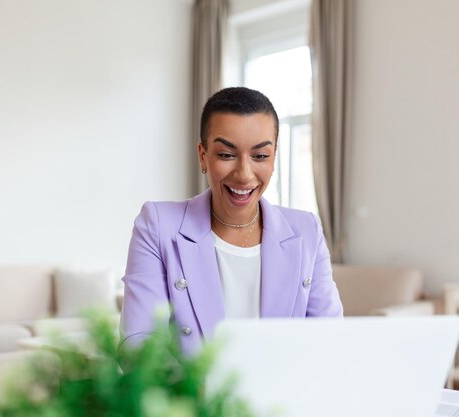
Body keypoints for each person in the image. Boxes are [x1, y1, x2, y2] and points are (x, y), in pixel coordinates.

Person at [120, 87, 343, 354]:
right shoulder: (158, 225)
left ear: (273, 159)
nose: (244, 174)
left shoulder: (306, 230)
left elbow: (330, 340)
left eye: (260, 156)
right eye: (226, 155)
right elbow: (140, 349)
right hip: (193, 394)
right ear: (203, 156)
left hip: (284, 394)